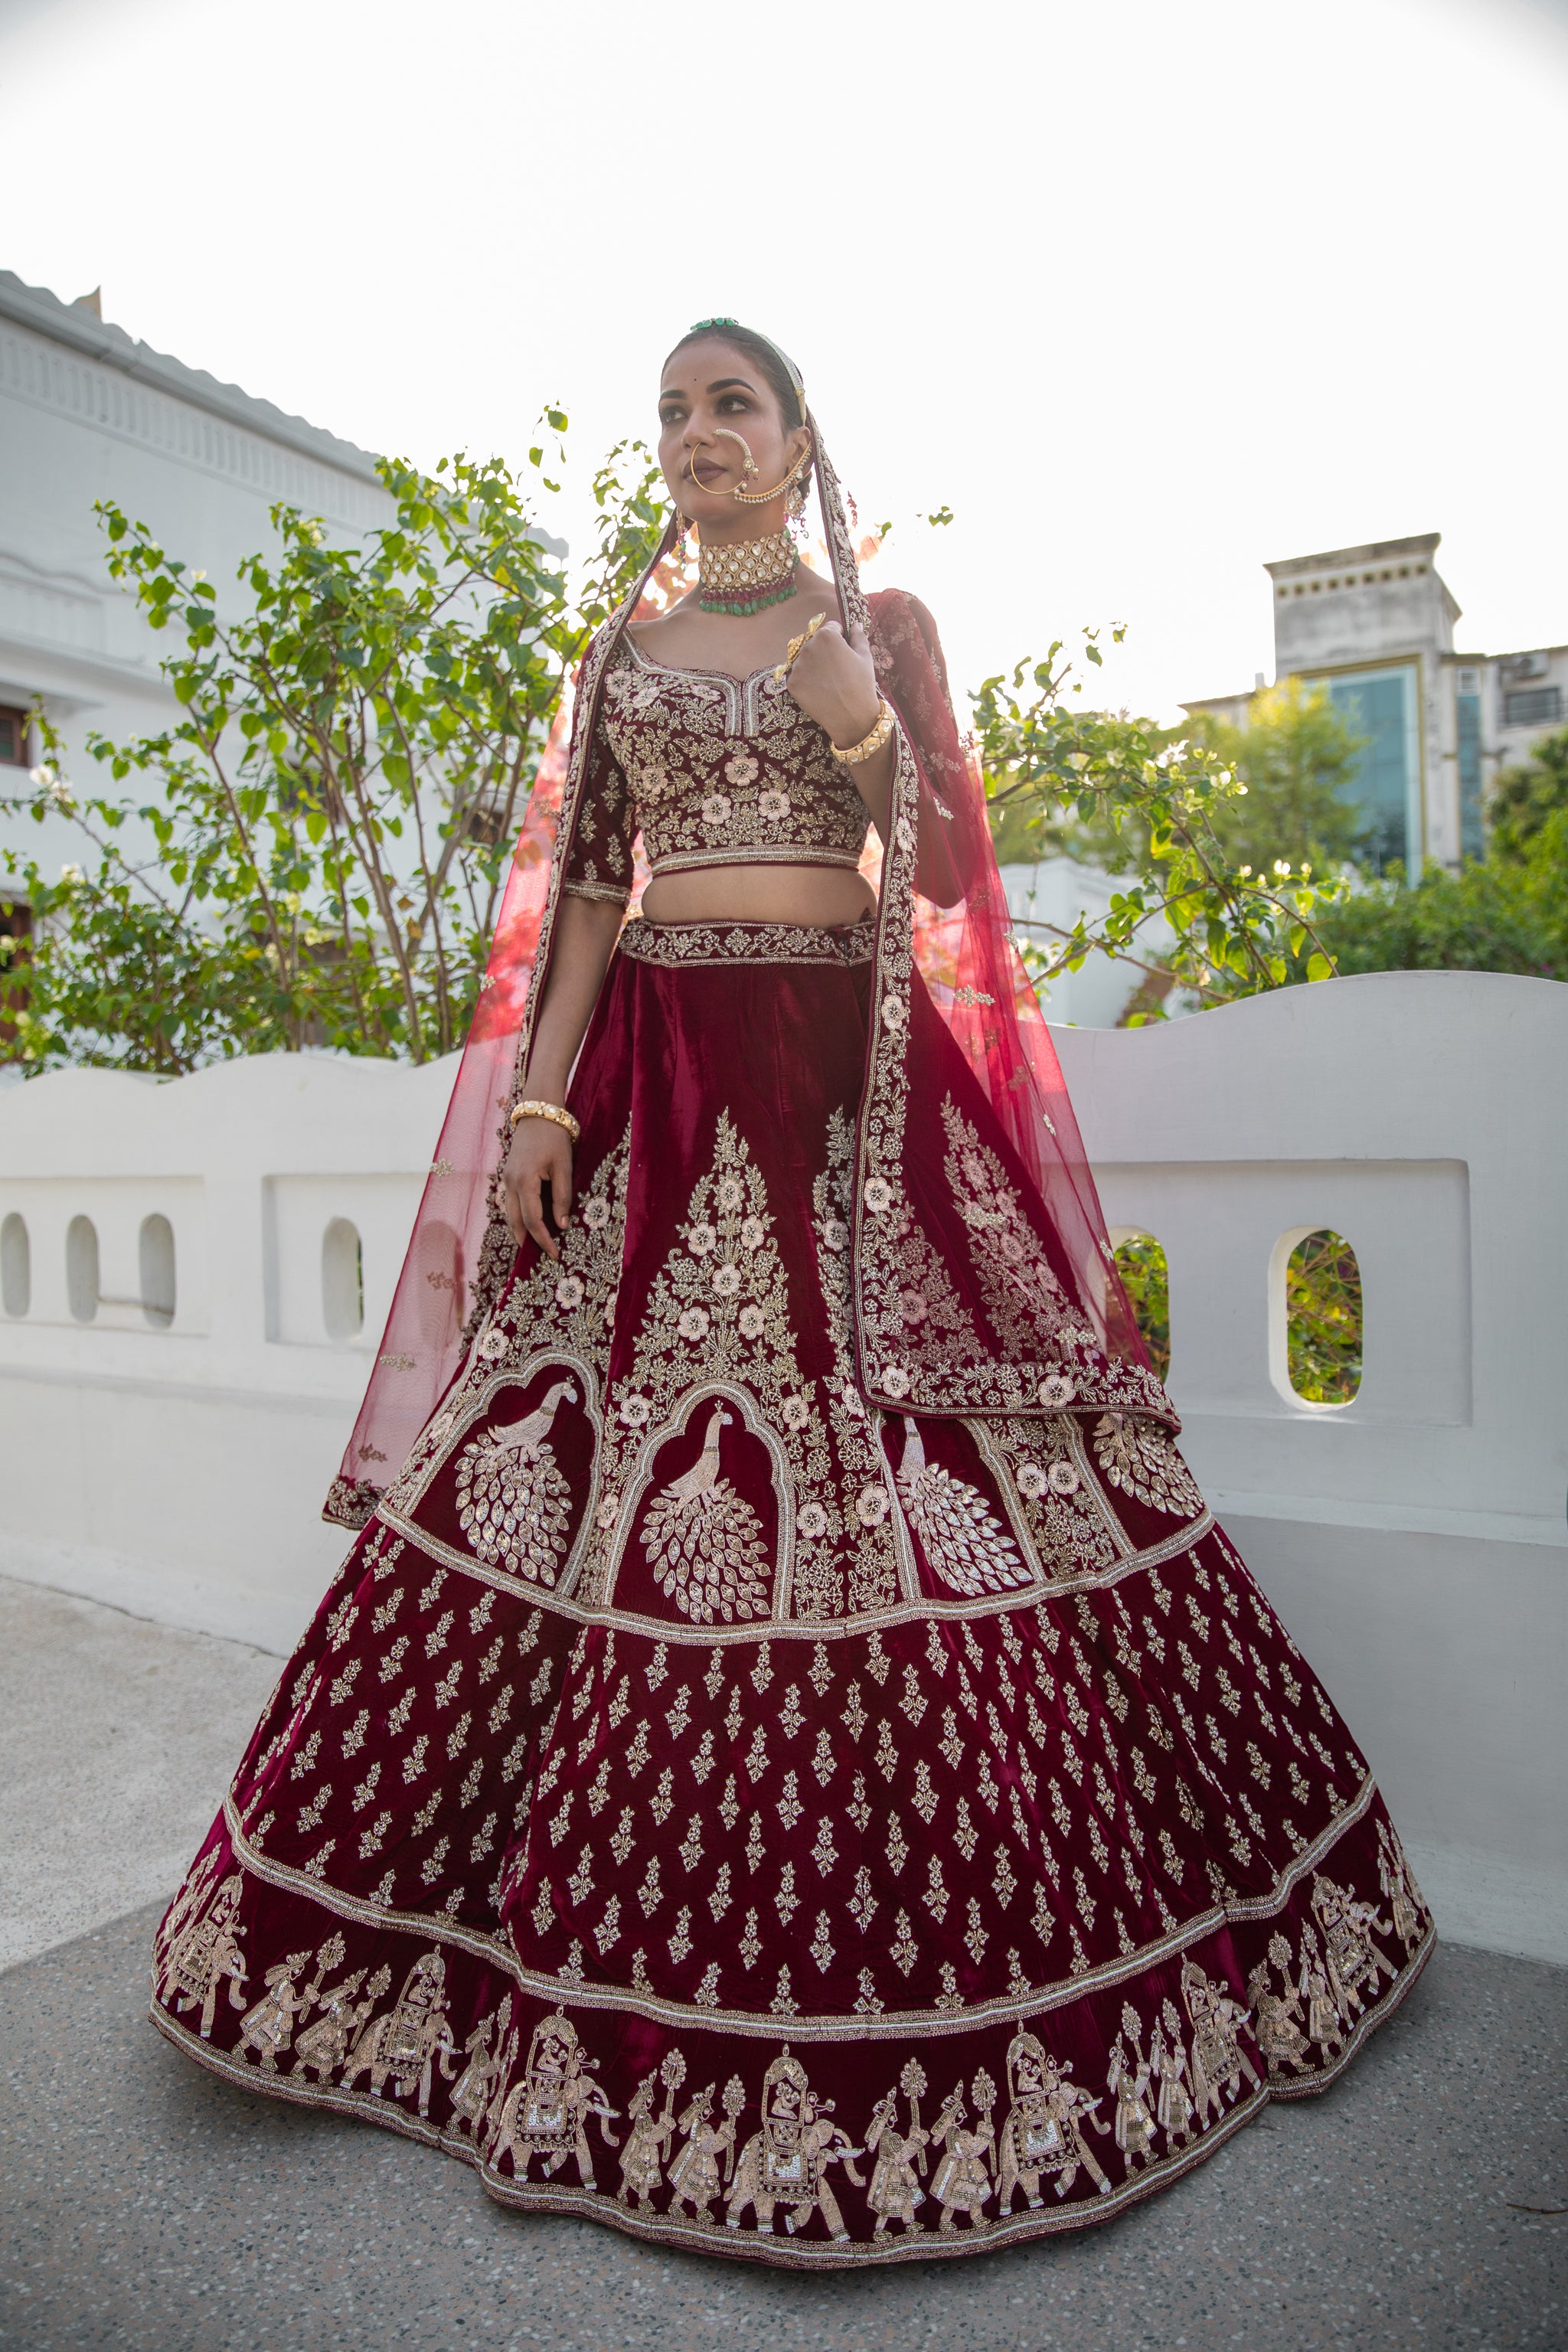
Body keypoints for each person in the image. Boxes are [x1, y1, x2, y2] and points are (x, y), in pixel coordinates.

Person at [151, 319, 1432, 2265]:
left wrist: (857, 715)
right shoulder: (618, 659)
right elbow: (590, 891)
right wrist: (536, 1105)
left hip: (847, 1080)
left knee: (940, 1461)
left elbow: (939, 880)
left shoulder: (883, 629)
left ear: (799, 437)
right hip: (663, 1081)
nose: (692, 439)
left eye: (727, 406)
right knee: (577, 1460)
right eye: (669, 412)